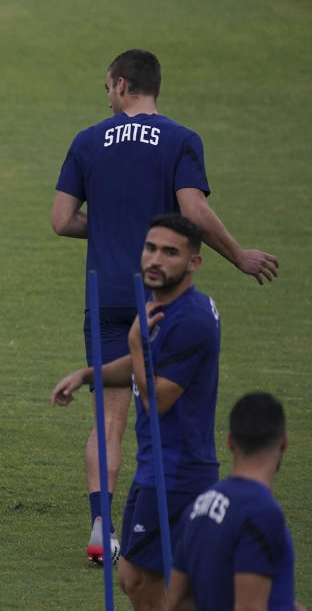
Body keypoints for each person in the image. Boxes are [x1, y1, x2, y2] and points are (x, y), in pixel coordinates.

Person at [51, 49, 279, 563]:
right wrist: (239, 255)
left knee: (110, 417)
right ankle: (182, 522)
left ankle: (101, 528)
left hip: (105, 293)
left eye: (106, 87)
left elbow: (62, 219)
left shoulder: (88, 140)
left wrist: (106, 225)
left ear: (121, 84)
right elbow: (193, 208)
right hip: (164, 299)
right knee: (171, 409)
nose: (105, 95)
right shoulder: (180, 140)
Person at [52, 214, 221, 611]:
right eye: (150, 248)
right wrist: (88, 373)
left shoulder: (192, 319)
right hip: (153, 468)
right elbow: (138, 366)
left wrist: (136, 342)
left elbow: (156, 399)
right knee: (133, 577)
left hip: (176, 473)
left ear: (193, 263)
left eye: (169, 252)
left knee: (145, 585)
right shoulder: (159, 303)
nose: (155, 260)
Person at [167, 392, 304, 611]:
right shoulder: (261, 512)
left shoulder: (198, 506)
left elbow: (175, 602)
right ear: (284, 441)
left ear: (230, 441)